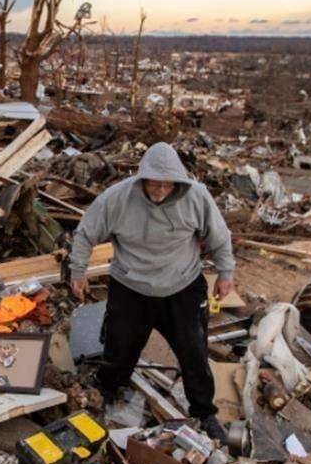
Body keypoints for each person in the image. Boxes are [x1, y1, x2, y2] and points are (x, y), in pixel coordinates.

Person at [68, 142, 236, 443]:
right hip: (131, 286)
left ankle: (203, 412)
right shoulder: (117, 199)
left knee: (194, 351)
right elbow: (85, 233)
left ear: (178, 182)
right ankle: (106, 391)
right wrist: (77, 271)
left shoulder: (196, 197)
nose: (159, 191)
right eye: (153, 184)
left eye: (166, 185)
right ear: (142, 178)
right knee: (119, 348)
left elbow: (219, 237)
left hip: (182, 285)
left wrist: (226, 273)